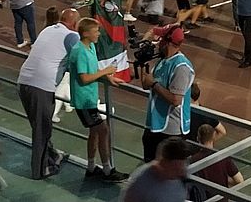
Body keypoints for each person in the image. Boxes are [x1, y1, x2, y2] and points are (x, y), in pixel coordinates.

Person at [18, 8, 81, 179]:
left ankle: (53, 155)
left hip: (23, 81)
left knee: (40, 126)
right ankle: (40, 170)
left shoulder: (47, 29)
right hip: (41, 87)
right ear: (75, 24)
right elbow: (80, 61)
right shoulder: (72, 36)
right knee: (42, 130)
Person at [68, 17, 128, 183]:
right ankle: (108, 170)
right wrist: (106, 72)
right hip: (84, 101)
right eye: (96, 31)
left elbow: (94, 70)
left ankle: (91, 167)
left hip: (90, 99)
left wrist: (109, 78)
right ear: (86, 33)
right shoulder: (79, 51)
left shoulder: (91, 47)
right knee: (103, 130)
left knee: (94, 132)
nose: (99, 34)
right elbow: (85, 78)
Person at [140, 25, 195, 162]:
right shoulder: (162, 61)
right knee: (150, 164)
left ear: (167, 42)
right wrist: (142, 64)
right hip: (155, 124)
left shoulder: (181, 67)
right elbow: (146, 84)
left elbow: (176, 100)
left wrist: (154, 84)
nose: (158, 42)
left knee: (166, 168)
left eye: (160, 39)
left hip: (171, 130)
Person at [119, 137, 191, 202]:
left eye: (182, 167)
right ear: (164, 162)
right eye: (175, 169)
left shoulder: (181, 175)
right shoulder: (140, 182)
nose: (180, 172)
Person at [192, 124, 244, 195]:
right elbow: (239, 180)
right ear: (214, 136)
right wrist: (224, 181)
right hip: (222, 197)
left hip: (204, 198)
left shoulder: (193, 160)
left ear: (198, 138)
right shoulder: (223, 156)